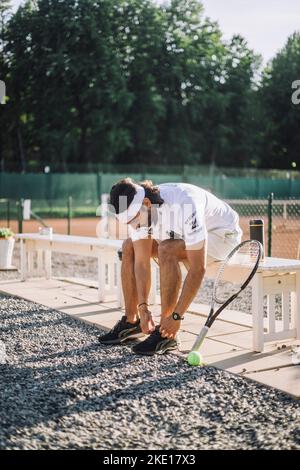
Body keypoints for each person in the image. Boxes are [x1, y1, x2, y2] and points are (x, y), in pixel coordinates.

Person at [98, 178, 242, 355]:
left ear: (146, 203)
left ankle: (167, 333)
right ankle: (131, 321)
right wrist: (143, 308)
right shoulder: (141, 210)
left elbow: (198, 268)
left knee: (167, 249)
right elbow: (142, 263)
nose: (133, 226)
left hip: (222, 236)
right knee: (130, 246)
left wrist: (176, 316)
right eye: (128, 222)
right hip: (180, 235)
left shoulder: (186, 204)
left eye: (134, 220)